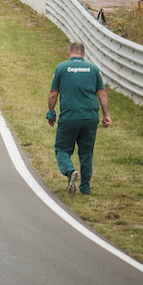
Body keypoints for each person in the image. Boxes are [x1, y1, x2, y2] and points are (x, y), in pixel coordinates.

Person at [47, 41, 110, 195]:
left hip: (70, 116)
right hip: (90, 117)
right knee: (86, 152)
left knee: (62, 148)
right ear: (84, 54)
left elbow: (54, 93)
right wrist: (106, 115)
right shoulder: (93, 69)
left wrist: (51, 112)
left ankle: (70, 171)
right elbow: (101, 93)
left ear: (69, 53)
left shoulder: (61, 68)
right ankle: (85, 187)